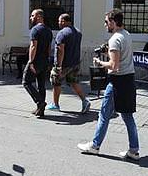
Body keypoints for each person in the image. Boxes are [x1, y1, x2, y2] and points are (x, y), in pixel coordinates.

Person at [77, 8, 140, 160]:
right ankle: (134, 150)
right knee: (127, 116)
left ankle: (95, 145)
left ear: (113, 22)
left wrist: (99, 62)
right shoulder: (126, 35)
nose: (105, 25)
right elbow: (121, 59)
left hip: (117, 81)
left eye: (106, 22)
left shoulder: (114, 39)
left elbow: (114, 66)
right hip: (128, 79)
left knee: (104, 115)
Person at [46, 13, 91, 114]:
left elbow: (60, 50)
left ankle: (55, 104)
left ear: (64, 21)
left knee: (56, 81)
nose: (58, 23)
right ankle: (85, 100)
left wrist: (58, 66)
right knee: (74, 82)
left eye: (59, 21)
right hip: (74, 63)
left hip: (64, 64)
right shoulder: (78, 32)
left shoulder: (62, 33)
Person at [23, 9, 53, 118]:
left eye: (32, 15)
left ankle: (40, 102)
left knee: (26, 82)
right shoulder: (48, 30)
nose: (31, 18)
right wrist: (49, 60)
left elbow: (33, 46)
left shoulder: (35, 30)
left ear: (39, 16)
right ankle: (40, 110)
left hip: (36, 61)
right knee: (41, 85)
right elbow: (49, 47)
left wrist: (31, 61)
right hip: (44, 60)